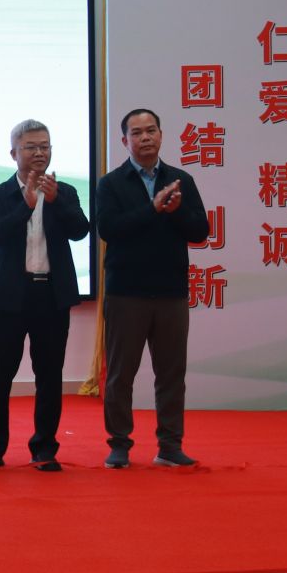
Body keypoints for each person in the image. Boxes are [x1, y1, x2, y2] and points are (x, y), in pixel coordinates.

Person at [92, 107, 210, 468]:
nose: (145, 138)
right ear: (124, 140)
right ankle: (119, 445)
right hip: (126, 293)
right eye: (137, 133)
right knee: (120, 375)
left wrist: (175, 211)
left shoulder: (181, 180)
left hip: (171, 292)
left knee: (171, 374)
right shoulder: (111, 184)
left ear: (161, 135)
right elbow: (109, 230)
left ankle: (170, 445)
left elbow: (200, 232)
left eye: (151, 131)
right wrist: (153, 209)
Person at [0, 119, 90, 471]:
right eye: (31, 147)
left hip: (51, 295)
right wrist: (25, 205)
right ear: (13, 153)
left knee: (49, 375)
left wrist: (55, 202)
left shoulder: (64, 192)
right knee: (0, 374)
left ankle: (44, 448)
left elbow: (81, 230)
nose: (39, 153)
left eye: (45, 146)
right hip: (10, 296)